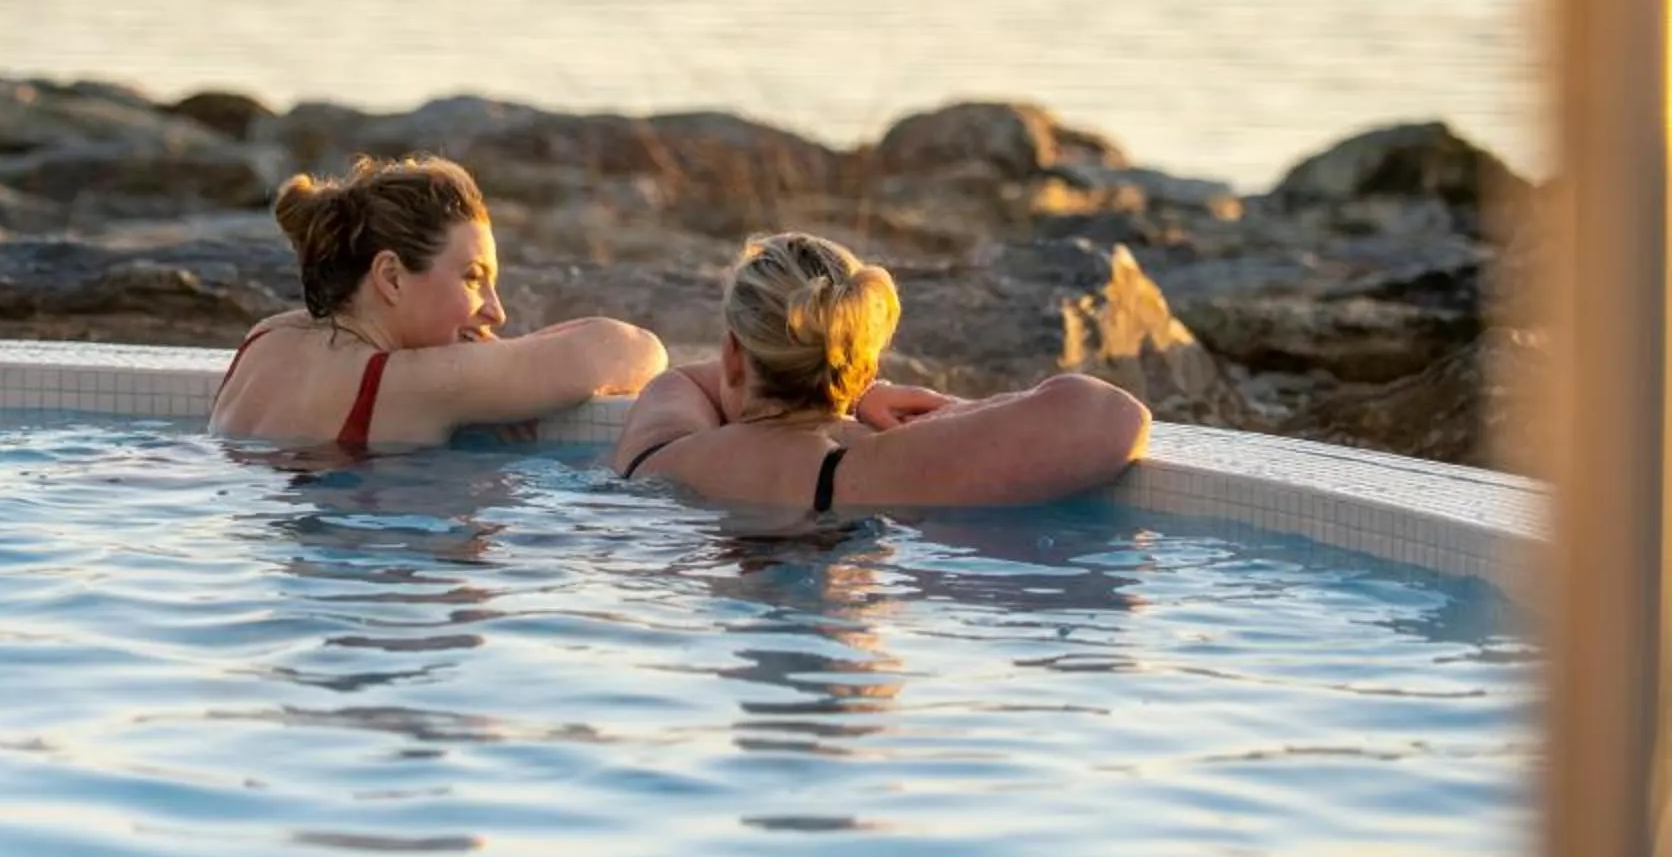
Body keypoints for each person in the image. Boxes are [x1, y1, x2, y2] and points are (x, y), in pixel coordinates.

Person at [610, 231, 1149, 516]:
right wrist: (864, 394)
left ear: (733, 353)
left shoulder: (657, 454)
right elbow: (1110, 417)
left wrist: (823, 379)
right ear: (864, 363)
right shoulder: (870, 472)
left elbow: (685, 380)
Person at [210, 154, 667, 454]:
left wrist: (501, 362)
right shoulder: (410, 385)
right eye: (472, 278)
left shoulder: (266, 337)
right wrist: (501, 365)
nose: (496, 312)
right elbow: (632, 348)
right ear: (391, 277)